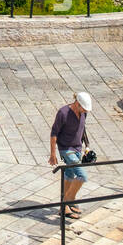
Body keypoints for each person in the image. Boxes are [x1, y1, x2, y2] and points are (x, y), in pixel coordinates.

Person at [49, 91, 93, 219]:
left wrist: (87, 146)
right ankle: (69, 200)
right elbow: (53, 133)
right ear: (77, 104)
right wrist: (53, 154)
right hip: (66, 149)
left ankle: (64, 208)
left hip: (78, 148)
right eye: (84, 109)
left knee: (69, 174)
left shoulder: (83, 113)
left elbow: (83, 129)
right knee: (82, 176)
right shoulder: (63, 113)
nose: (85, 111)